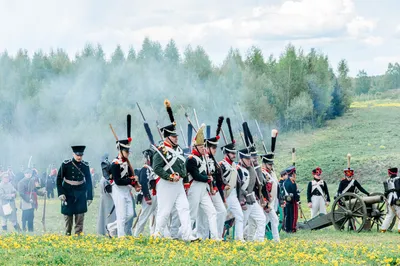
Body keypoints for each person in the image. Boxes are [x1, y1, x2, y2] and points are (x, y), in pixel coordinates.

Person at [152, 99, 197, 242]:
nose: (176, 138)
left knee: (184, 209)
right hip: (166, 184)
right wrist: (169, 177)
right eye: (173, 136)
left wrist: (184, 178)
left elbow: (182, 166)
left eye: (176, 136)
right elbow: (157, 168)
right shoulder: (161, 150)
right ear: (167, 137)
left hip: (178, 185)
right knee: (164, 212)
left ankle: (187, 235)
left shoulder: (178, 150)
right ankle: (157, 234)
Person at [186, 125, 219, 240]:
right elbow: (196, 175)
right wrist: (207, 179)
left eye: (203, 146)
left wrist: (209, 181)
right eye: (200, 146)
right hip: (194, 188)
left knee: (212, 212)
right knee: (192, 215)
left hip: (203, 189)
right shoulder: (191, 159)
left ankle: (215, 237)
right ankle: (187, 235)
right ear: (195, 147)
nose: (202, 148)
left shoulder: (204, 158)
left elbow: (206, 174)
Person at [106, 134, 141, 238]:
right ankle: (121, 237)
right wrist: (131, 180)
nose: (128, 153)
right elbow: (118, 181)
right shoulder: (115, 164)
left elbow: (130, 176)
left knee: (130, 214)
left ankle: (111, 227)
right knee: (121, 215)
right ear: (120, 151)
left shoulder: (127, 163)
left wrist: (135, 185)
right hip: (118, 190)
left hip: (126, 190)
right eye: (126, 151)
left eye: (128, 151)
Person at [56, 145, 93, 236]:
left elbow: (88, 181)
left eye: (81, 155)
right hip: (67, 192)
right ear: (73, 154)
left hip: (80, 192)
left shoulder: (85, 165)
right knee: (68, 215)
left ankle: (78, 235)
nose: (79, 157)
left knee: (80, 215)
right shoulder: (66, 164)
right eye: (77, 155)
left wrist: (89, 197)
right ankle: (67, 233)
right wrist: (60, 193)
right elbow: (59, 179)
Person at [219, 118, 244, 241]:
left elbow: (239, 182)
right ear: (227, 153)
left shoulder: (235, 166)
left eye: (235, 153)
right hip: (224, 194)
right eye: (232, 154)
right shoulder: (222, 165)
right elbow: (219, 179)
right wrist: (223, 187)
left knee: (239, 216)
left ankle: (239, 238)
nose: (234, 155)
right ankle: (218, 236)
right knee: (221, 216)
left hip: (233, 194)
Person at [237, 148, 266, 242]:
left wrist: (257, 166)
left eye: (250, 158)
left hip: (252, 199)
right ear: (241, 159)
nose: (249, 161)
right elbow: (238, 187)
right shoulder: (238, 170)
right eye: (247, 159)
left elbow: (260, 182)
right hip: (244, 200)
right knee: (243, 221)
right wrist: (242, 201)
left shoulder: (251, 169)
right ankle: (239, 240)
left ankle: (259, 240)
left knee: (261, 218)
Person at [134, 149, 159, 237]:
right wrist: (147, 198)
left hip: (155, 194)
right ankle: (137, 234)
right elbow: (144, 183)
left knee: (156, 216)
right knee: (144, 216)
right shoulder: (145, 169)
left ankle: (154, 234)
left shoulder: (152, 168)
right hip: (149, 194)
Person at [260, 153, 280, 242]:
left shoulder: (271, 173)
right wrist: (266, 204)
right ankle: (276, 240)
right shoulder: (263, 173)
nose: (271, 166)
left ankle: (252, 237)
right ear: (264, 164)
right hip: (265, 202)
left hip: (271, 201)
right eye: (269, 164)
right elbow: (263, 189)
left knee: (263, 222)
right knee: (272, 220)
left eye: (271, 164)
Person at [97, 153, 117, 236]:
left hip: (106, 198)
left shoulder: (105, 177)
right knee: (109, 216)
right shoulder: (105, 178)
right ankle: (109, 231)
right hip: (108, 199)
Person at [381, 167, 400, 233]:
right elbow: (398, 189)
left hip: (389, 200)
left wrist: (386, 197)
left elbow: (385, 192)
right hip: (397, 199)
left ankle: (383, 229)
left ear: (390, 173)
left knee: (389, 215)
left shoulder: (387, 181)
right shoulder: (398, 179)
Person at [283, 166, 300, 233]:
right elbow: (294, 192)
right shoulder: (292, 182)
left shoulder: (285, 182)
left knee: (288, 215)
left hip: (287, 200)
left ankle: (288, 228)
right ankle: (292, 228)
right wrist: (298, 200)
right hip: (292, 201)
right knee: (293, 215)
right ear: (293, 174)